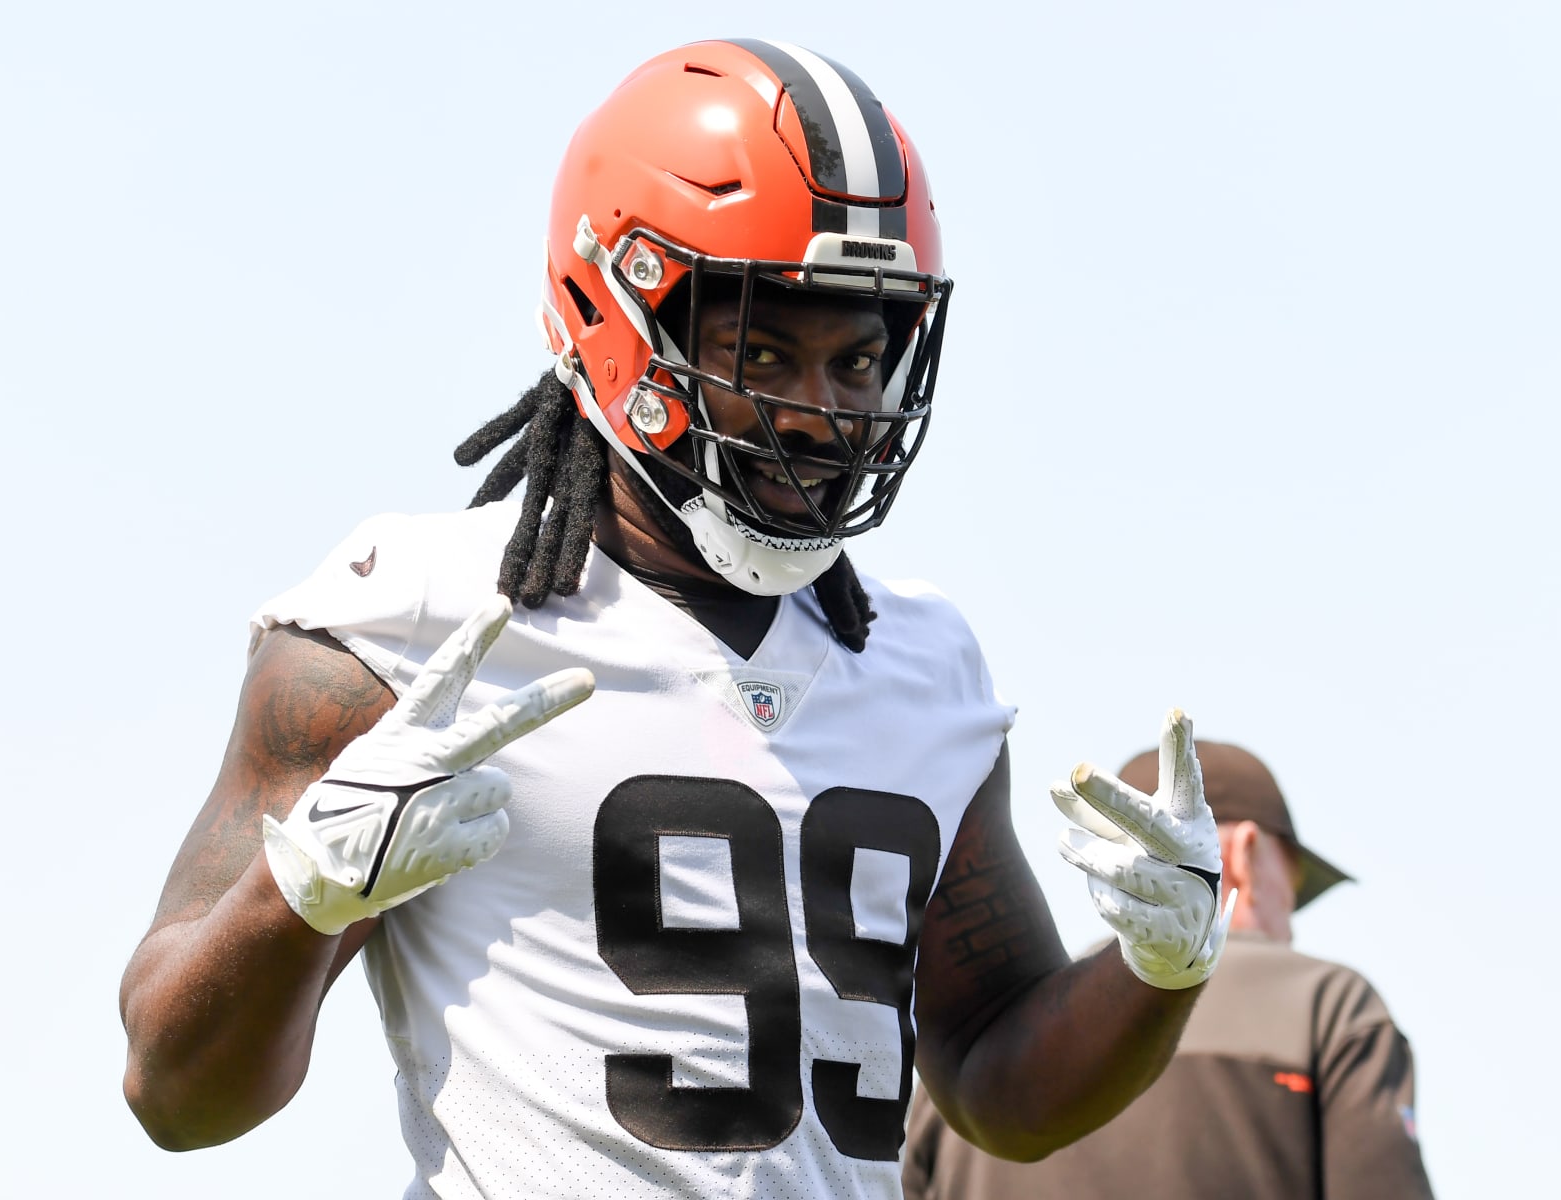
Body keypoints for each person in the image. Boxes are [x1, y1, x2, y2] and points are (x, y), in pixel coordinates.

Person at [118, 38, 1234, 1199]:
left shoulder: (920, 664)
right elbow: (174, 1092)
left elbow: (1003, 1087)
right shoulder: (416, 623)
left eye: (858, 358)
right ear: (616, 314)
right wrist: (301, 895)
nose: (818, 413)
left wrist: (1159, 970)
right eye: (760, 347)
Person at [903, 740, 1436, 1200]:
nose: (1292, 926)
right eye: (1292, 893)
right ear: (1245, 856)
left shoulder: (976, 1039)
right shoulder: (1329, 1005)